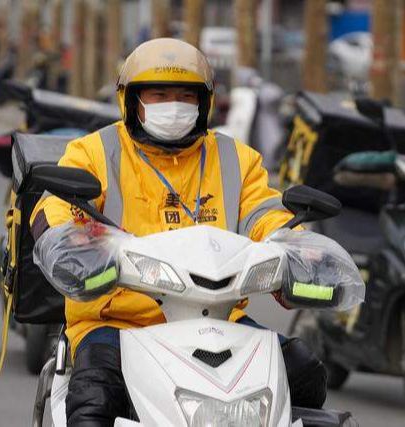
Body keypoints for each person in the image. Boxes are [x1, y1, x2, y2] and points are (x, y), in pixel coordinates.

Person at [30, 38, 327, 425]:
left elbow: (265, 213)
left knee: (304, 375)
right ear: (132, 100)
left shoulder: (236, 157)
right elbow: (56, 208)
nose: (174, 104)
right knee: (93, 402)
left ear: (203, 102)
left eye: (185, 96)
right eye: (159, 94)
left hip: (220, 320)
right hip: (117, 321)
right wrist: (69, 240)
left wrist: (295, 248)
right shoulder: (94, 151)